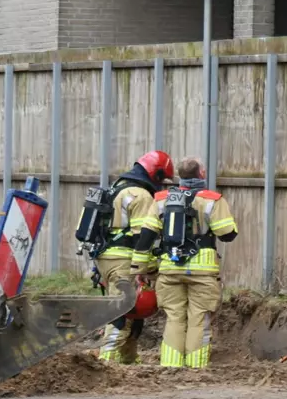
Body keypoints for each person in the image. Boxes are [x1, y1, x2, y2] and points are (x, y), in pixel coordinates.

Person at [154, 156, 238, 368]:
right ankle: (195, 368)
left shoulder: (162, 199)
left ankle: (170, 366)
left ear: (179, 176)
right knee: (198, 319)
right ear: (201, 174)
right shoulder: (212, 200)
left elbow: (146, 234)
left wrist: (141, 267)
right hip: (202, 271)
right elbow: (227, 234)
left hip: (170, 268)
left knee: (174, 317)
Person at [93, 150, 174, 364]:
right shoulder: (142, 195)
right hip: (124, 261)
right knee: (121, 313)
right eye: (162, 179)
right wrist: (149, 268)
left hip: (105, 259)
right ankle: (105, 362)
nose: (163, 185)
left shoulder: (115, 189)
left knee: (132, 311)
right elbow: (143, 237)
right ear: (155, 175)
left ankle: (128, 359)